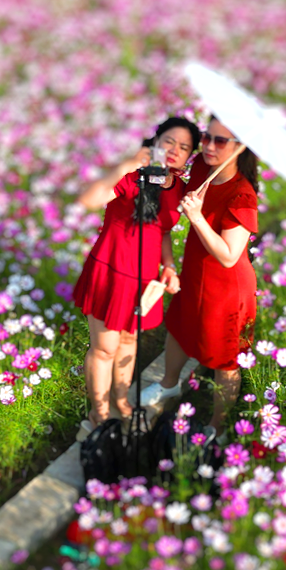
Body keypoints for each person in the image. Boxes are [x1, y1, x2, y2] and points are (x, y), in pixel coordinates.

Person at [71, 117, 201, 431]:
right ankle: (99, 413)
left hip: (144, 278)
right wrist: (129, 163)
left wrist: (169, 265)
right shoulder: (132, 174)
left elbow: (164, 231)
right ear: (154, 142)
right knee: (105, 348)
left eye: (184, 147)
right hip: (111, 270)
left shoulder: (179, 188)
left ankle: (120, 399)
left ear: (188, 157)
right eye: (169, 141)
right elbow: (88, 200)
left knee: (130, 340)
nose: (174, 150)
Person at [138, 116, 259, 433]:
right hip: (195, 271)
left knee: (224, 359)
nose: (208, 145)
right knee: (180, 325)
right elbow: (175, 186)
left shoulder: (242, 197)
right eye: (207, 137)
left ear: (240, 148)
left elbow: (229, 256)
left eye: (220, 141)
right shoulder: (206, 170)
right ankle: (169, 385)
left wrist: (197, 217)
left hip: (226, 288)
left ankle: (217, 426)